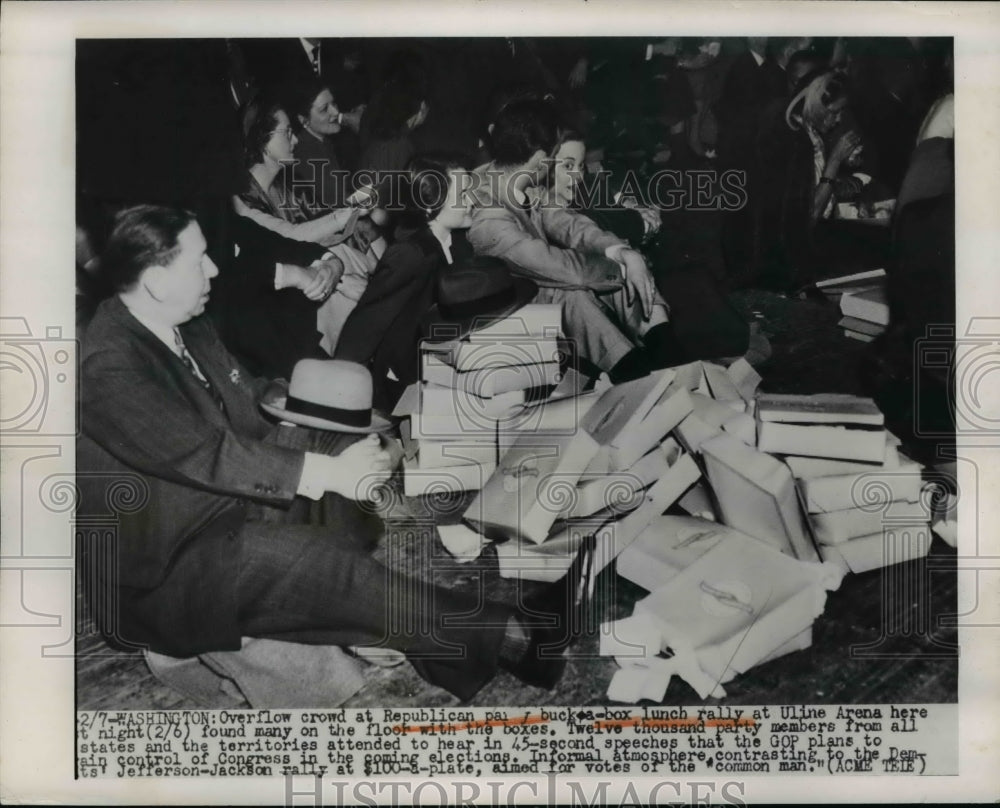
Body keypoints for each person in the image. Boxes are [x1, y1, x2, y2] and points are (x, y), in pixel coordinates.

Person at [77, 205, 590, 701]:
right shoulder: (108, 364)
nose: (214, 269)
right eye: (200, 260)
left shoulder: (182, 319)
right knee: (311, 553)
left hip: (215, 502)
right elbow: (201, 452)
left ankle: (373, 619)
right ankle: (512, 636)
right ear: (158, 282)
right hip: (169, 564)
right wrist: (326, 472)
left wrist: (332, 424)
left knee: (344, 444)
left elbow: (246, 396)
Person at [467, 99, 675, 382]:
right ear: (541, 159)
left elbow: (568, 223)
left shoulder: (513, 173)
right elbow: (562, 268)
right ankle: (632, 372)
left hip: (541, 278)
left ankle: (665, 347)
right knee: (572, 292)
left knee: (616, 259)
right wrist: (622, 267)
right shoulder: (487, 218)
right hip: (506, 301)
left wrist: (621, 252)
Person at [542, 130, 750, 365]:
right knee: (692, 295)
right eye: (566, 166)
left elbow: (622, 208)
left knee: (697, 282)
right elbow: (584, 232)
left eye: (579, 166)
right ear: (544, 167)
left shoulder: (586, 189)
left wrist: (636, 209)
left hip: (635, 276)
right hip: (602, 295)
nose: (576, 175)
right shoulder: (549, 210)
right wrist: (632, 227)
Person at [234, 100, 377, 354]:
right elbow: (291, 237)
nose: (296, 141)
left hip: (317, 280)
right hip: (280, 299)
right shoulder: (242, 200)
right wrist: (347, 212)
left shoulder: (289, 185)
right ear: (262, 140)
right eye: (287, 133)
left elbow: (326, 227)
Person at [335, 154, 475, 410]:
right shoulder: (410, 254)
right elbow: (365, 325)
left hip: (439, 364)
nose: (471, 201)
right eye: (463, 194)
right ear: (431, 203)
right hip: (401, 384)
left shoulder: (461, 246)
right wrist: (340, 394)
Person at [755, 70, 866, 288]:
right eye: (836, 111)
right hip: (790, 263)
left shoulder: (805, 132)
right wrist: (835, 160)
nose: (839, 119)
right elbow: (808, 216)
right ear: (818, 105)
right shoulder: (797, 142)